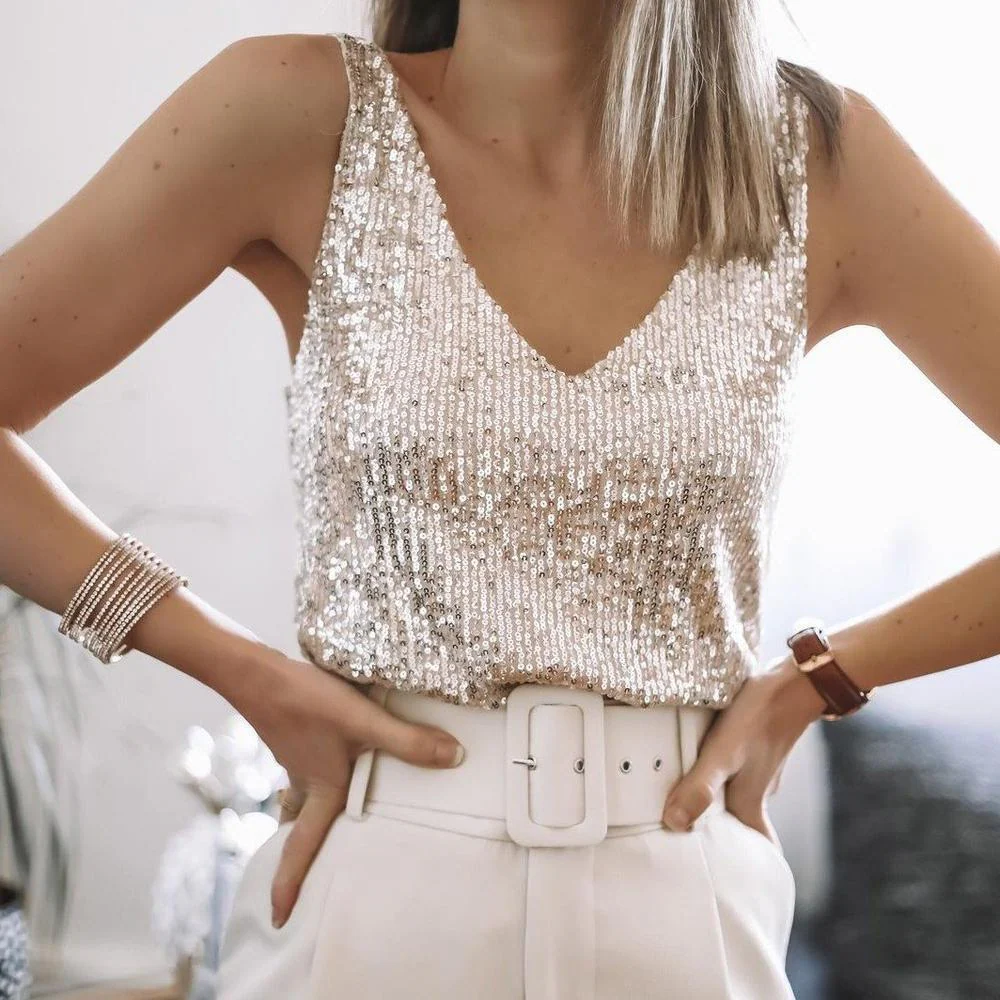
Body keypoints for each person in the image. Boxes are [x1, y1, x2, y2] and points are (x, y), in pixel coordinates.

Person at [2, 0, 999, 996]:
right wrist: (235, 667)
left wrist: (824, 674)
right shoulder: (299, 116)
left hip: (683, 896)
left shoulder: (815, 157)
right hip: (374, 889)